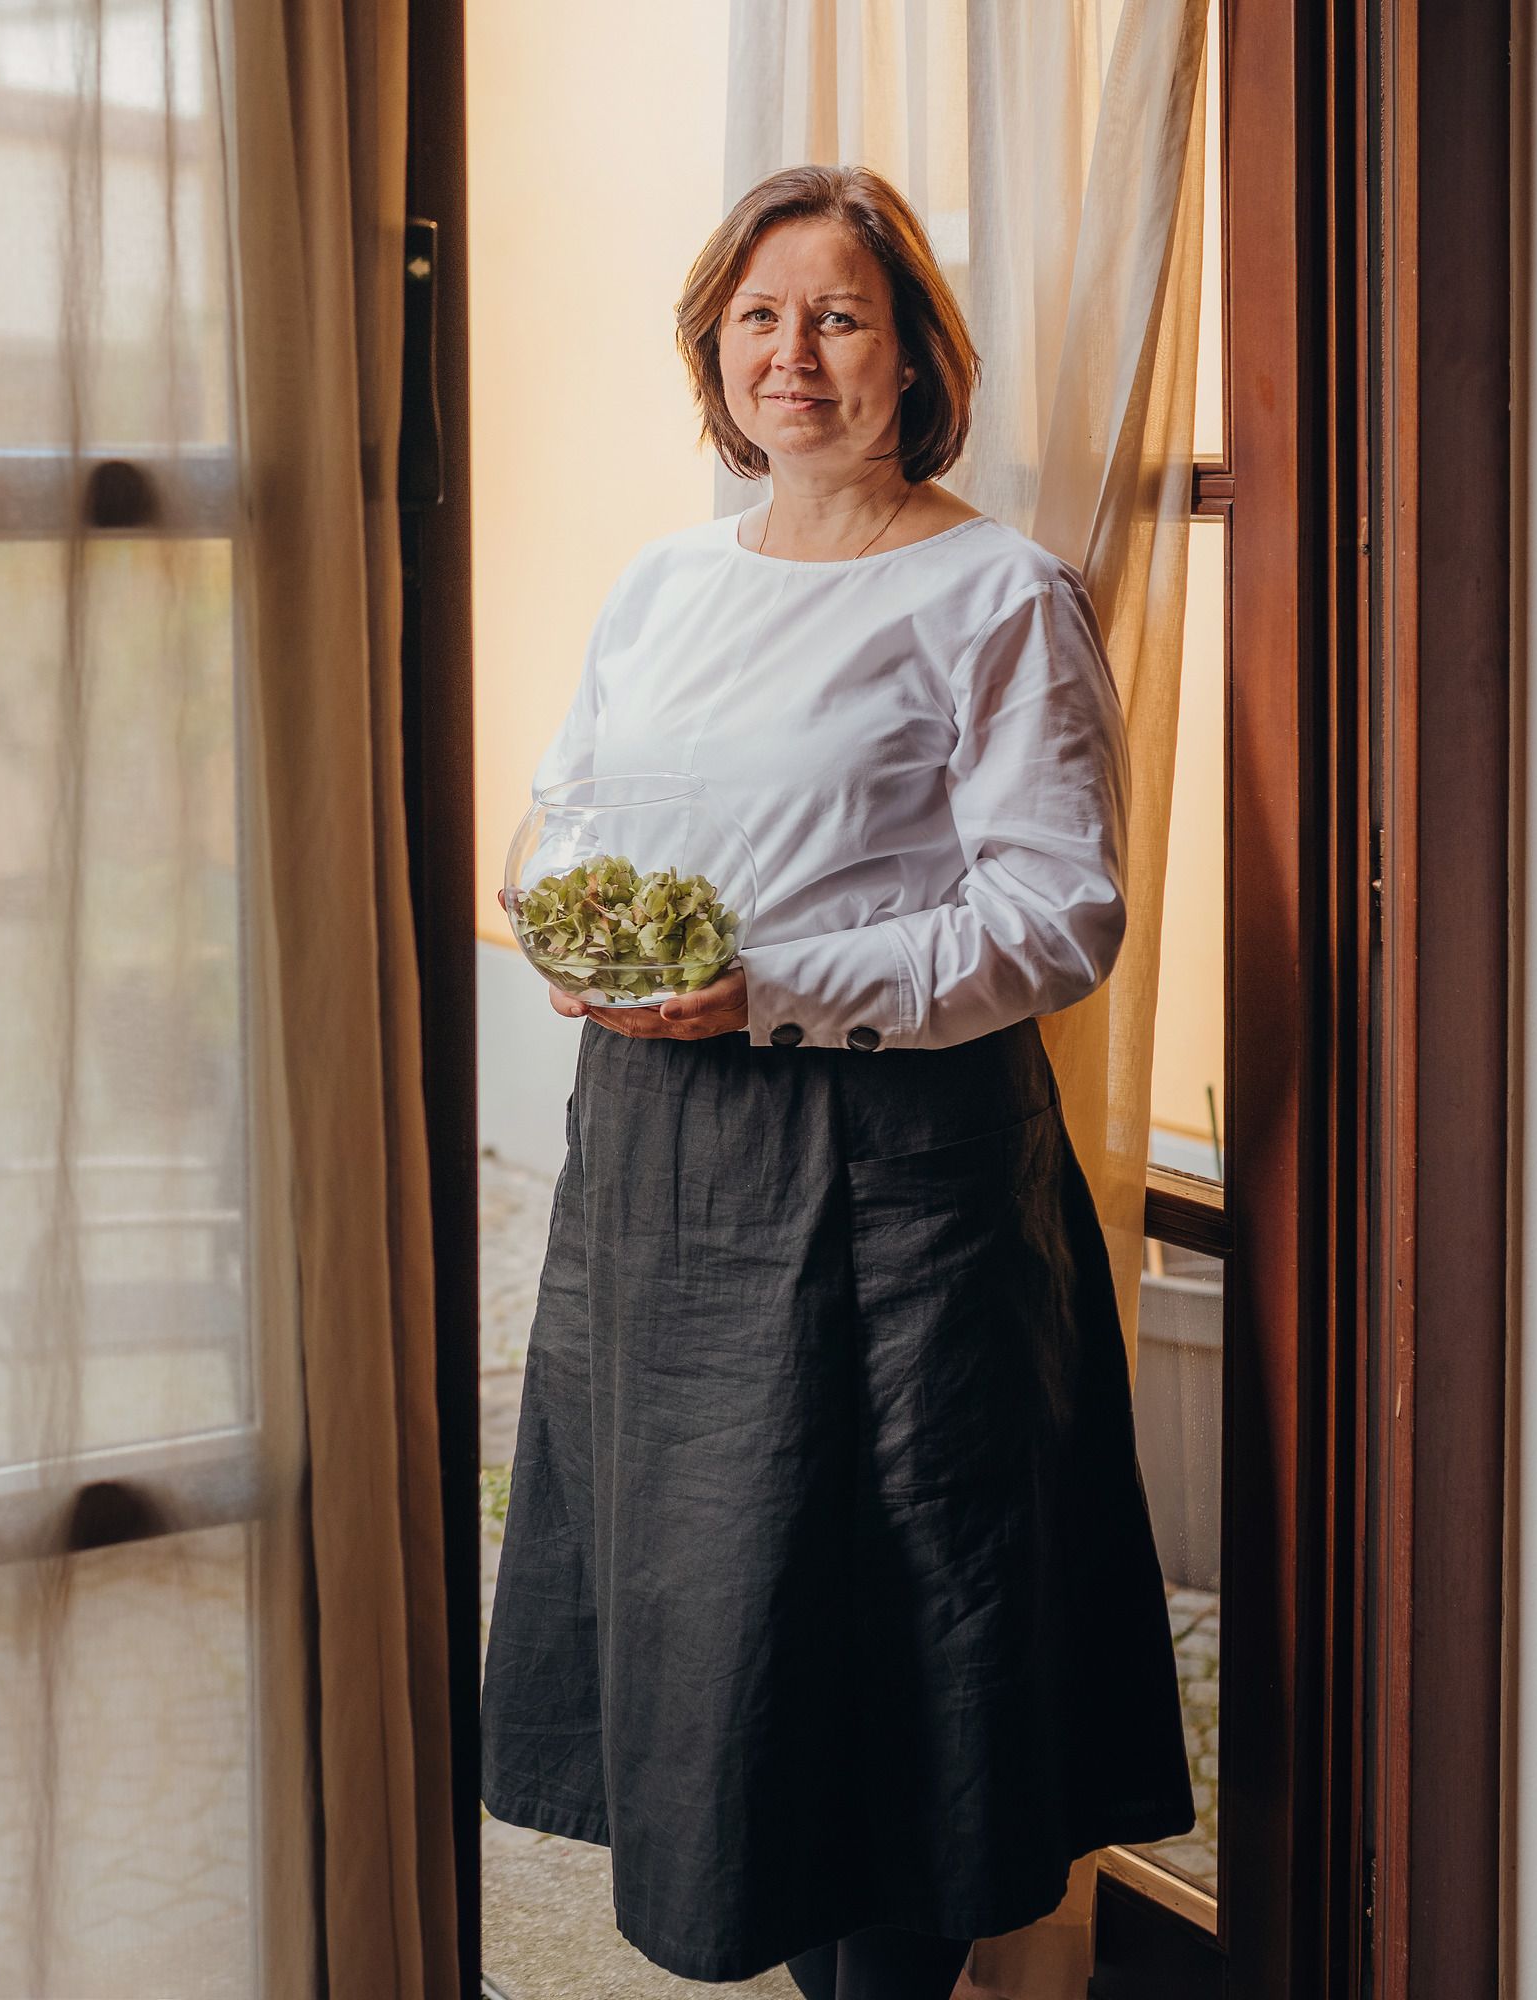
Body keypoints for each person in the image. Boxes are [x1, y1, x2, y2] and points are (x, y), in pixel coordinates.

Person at [476, 163, 1197, 1999]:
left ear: (913, 359)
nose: (796, 357)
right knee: (715, 1612)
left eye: (841, 318)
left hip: (900, 1180)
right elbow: (563, 807)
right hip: (660, 1158)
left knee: (896, 1640)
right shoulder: (662, 583)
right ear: (714, 355)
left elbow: (1058, 918)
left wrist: (768, 983)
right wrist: (556, 906)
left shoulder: (996, 592)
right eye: (760, 319)